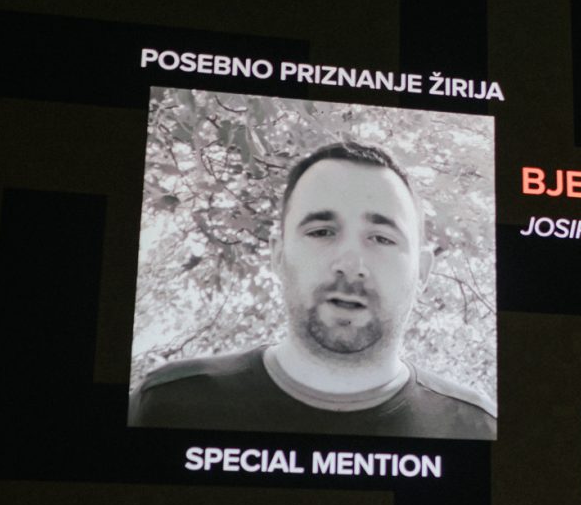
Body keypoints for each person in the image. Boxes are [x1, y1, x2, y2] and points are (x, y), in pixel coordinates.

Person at [131, 142, 496, 439]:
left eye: (382, 238)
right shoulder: (168, 405)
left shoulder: (478, 430)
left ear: (423, 271)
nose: (350, 264)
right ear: (277, 255)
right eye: (321, 232)